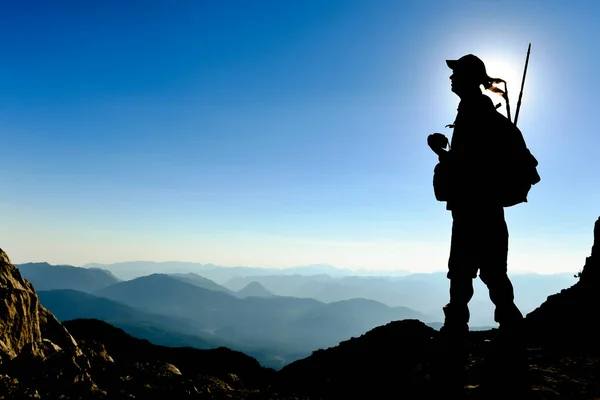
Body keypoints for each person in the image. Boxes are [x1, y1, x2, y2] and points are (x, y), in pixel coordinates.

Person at [428, 54, 524, 339]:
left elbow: (469, 165)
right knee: (493, 270)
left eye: (455, 74)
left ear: (468, 78)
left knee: (461, 270)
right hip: (488, 206)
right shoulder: (479, 111)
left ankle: (456, 325)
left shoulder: (473, 113)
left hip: (473, 207)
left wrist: (440, 152)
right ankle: (510, 324)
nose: (450, 78)